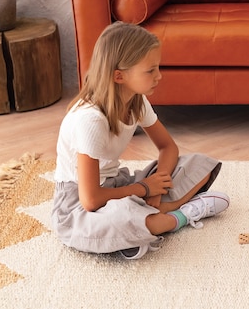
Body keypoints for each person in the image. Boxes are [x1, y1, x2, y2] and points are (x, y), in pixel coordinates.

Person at [52, 22, 229, 259]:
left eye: (157, 68)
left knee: (200, 164)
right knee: (122, 217)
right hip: (79, 202)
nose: (159, 76)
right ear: (119, 76)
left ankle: (154, 216)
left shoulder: (136, 101)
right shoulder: (90, 121)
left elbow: (168, 148)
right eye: (150, 71)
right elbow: (91, 200)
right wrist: (144, 188)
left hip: (118, 185)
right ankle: (178, 217)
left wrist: (157, 188)